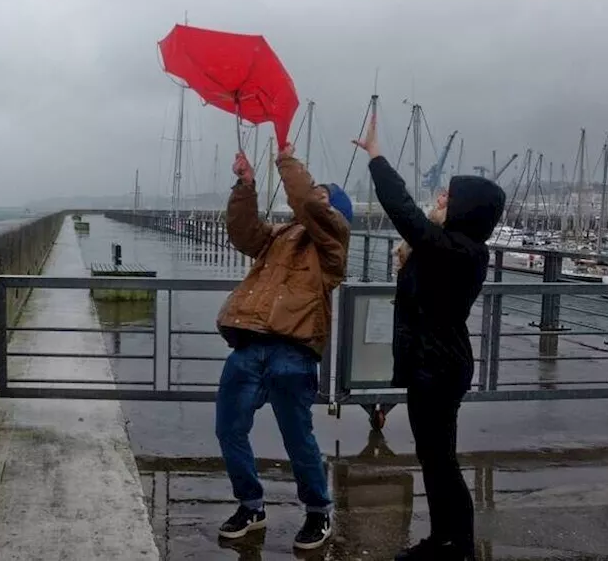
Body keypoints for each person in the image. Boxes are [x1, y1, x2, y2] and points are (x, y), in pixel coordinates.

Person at [353, 117, 505, 561]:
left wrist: (377, 158)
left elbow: (405, 214)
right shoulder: (453, 246)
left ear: (466, 210)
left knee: (441, 462)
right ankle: (447, 540)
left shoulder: (459, 250)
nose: (440, 196)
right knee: (436, 460)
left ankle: (455, 546)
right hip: (436, 364)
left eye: (449, 195)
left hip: (439, 368)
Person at [215, 143, 352, 551]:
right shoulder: (278, 236)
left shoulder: (333, 243)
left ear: (336, 213)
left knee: (298, 438)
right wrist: (246, 184)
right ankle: (251, 505)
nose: (314, 200)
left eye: (324, 198)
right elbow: (243, 233)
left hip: (293, 349)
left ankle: (317, 512)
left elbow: (308, 203)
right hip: (249, 342)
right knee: (228, 430)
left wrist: (287, 160)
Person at [362, 191, 447, 431]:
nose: (441, 196)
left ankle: (379, 406)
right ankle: (382, 408)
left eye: (447, 196)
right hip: (423, 340)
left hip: (423, 340)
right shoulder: (434, 242)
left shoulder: (433, 243)